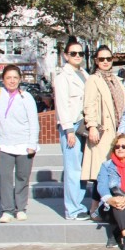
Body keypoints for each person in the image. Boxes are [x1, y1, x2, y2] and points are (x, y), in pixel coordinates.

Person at [0, 65, 39, 223]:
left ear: (20, 79)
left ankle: (21, 208)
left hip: (24, 144)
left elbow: (34, 122)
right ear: (3, 80)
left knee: (22, 177)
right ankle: (7, 210)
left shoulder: (26, 97)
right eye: (8, 78)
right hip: (4, 143)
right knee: (5, 177)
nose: (12, 81)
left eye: (15, 78)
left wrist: (32, 143)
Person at [83, 46, 125, 214]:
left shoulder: (116, 79)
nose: (105, 62)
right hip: (103, 131)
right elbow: (89, 104)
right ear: (96, 61)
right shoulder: (93, 80)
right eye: (101, 59)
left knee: (114, 171)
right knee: (100, 171)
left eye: (108, 58)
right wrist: (92, 126)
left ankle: (110, 207)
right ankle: (94, 208)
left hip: (118, 131)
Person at [53, 39, 90, 220]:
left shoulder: (84, 73)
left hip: (84, 125)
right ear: (66, 55)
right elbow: (62, 105)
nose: (77, 56)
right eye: (73, 53)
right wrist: (68, 130)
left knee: (81, 168)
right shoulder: (62, 77)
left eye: (80, 53)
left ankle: (79, 204)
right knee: (73, 168)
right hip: (72, 126)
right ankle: (72, 209)